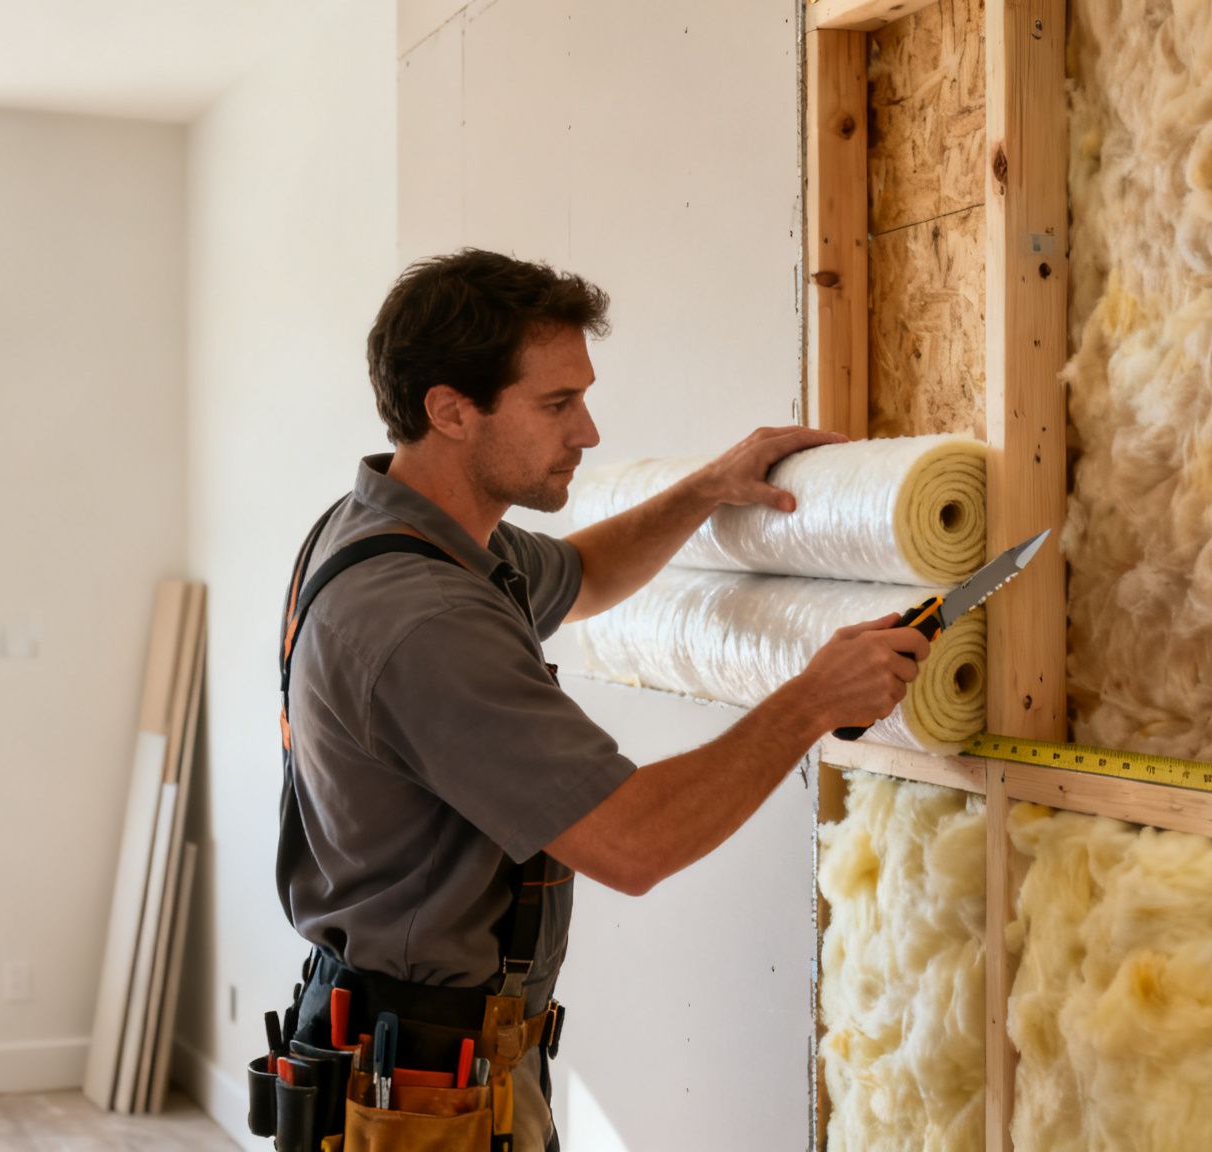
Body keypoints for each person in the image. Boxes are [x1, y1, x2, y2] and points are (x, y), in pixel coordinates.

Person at [275, 250, 930, 1149]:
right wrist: (814, 698)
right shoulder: (423, 621)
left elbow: (581, 575)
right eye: (556, 404)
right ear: (449, 410)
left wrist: (708, 487)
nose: (587, 431)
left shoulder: (408, 533)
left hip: (426, 1050)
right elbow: (633, 841)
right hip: (422, 1092)